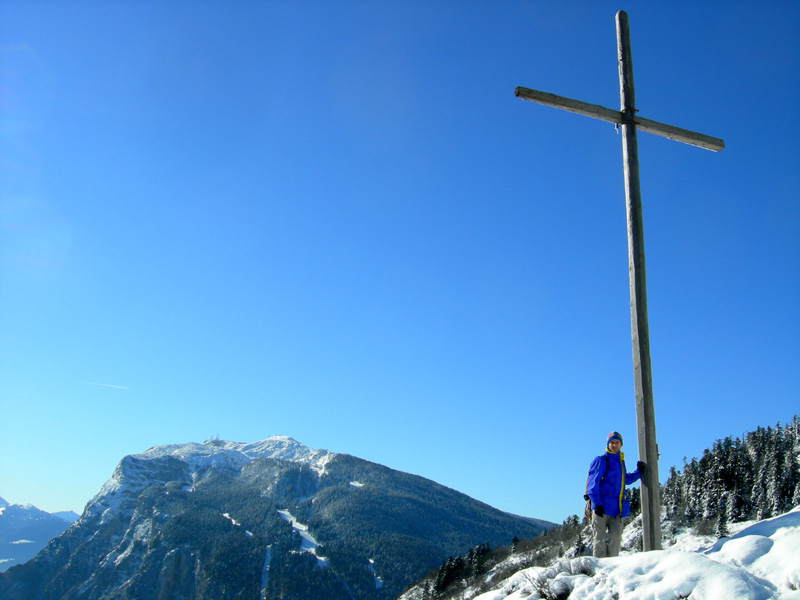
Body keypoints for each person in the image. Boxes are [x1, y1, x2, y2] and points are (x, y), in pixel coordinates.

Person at [585, 431, 645, 558]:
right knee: (599, 540)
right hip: (601, 508)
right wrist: (596, 504)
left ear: (620, 445)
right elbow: (592, 484)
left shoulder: (620, 462)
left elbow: (624, 480)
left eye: (617, 442)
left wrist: (638, 473)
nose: (614, 445)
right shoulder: (601, 460)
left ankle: (612, 567)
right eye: (612, 442)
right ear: (608, 444)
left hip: (617, 509)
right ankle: (599, 569)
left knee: (616, 540)